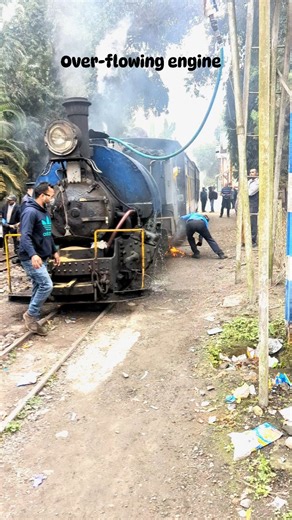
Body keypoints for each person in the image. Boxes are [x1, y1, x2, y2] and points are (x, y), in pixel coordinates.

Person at [18, 182, 60, 335]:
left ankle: (33, 317)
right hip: (31, 257)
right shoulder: (30, 212)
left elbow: (47, 234)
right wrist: (33, 254)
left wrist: (54, 251)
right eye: (51, 196)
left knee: (38, 285)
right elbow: (25, 236)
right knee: (46, 285)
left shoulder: (44, 211)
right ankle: (30, 315)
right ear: (43, 195)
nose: (53, 199)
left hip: (42, 255)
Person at [248, 168, 259, 247]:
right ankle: (247, 239)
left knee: (253, 222)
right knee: (248, 221)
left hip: (254, 204)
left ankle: (253, 240)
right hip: (248, 203)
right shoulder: (249, 181)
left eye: (253, 172)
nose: (251, 173)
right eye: (250, 172)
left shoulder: (258, 182)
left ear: (256, 173)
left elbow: (250, 192)